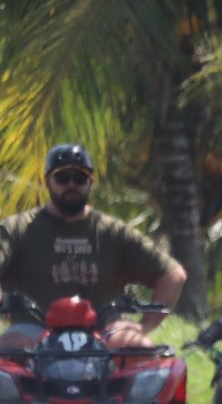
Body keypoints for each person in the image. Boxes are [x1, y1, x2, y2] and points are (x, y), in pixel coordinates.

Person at [0, 144, 186, 351]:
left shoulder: (113, 232)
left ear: (91, 182)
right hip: (32, 327)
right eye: (62, 178)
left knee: (139, 349)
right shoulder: (17, 229)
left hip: (105, 329)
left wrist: (145, 326)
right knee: (10, 349)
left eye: (79, 179)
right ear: (47, 181)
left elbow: (172, 274)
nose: (71, 185)